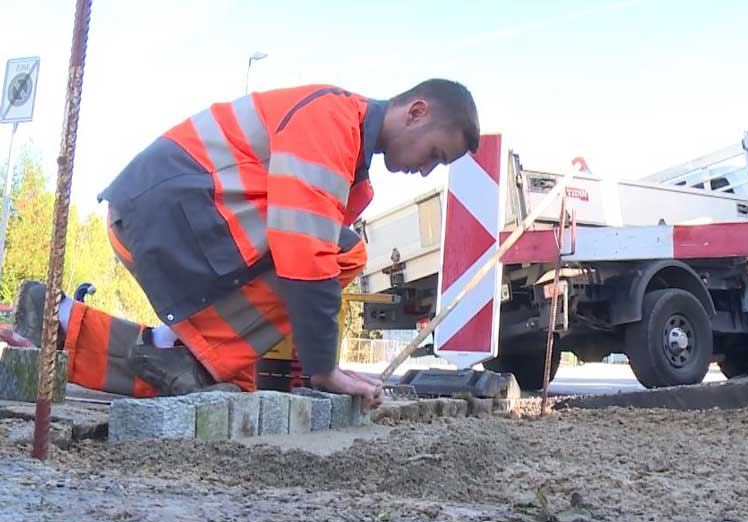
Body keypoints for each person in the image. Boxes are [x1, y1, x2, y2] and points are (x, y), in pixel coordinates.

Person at [11, 79, 480, 410]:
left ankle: (56, 320)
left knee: (196, 378)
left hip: (170, 225)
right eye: (435, 155)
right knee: (339, 250)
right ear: (416, 112)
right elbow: (306, 253)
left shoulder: (351, 166)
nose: (425, 171)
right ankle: (193, 353)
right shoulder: (333, 119)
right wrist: (325, 371)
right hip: (165, 218)